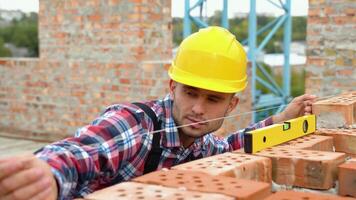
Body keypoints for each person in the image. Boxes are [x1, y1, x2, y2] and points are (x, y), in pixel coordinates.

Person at [0, 26, 316, 200]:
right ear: (172, 87)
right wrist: (48, 174)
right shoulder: (135, 125)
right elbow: (81, 153)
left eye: (213, 99)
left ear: (231, 106)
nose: (197, 109)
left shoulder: (200, 143)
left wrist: (278, 122)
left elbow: (232, 147)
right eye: (190, 93)